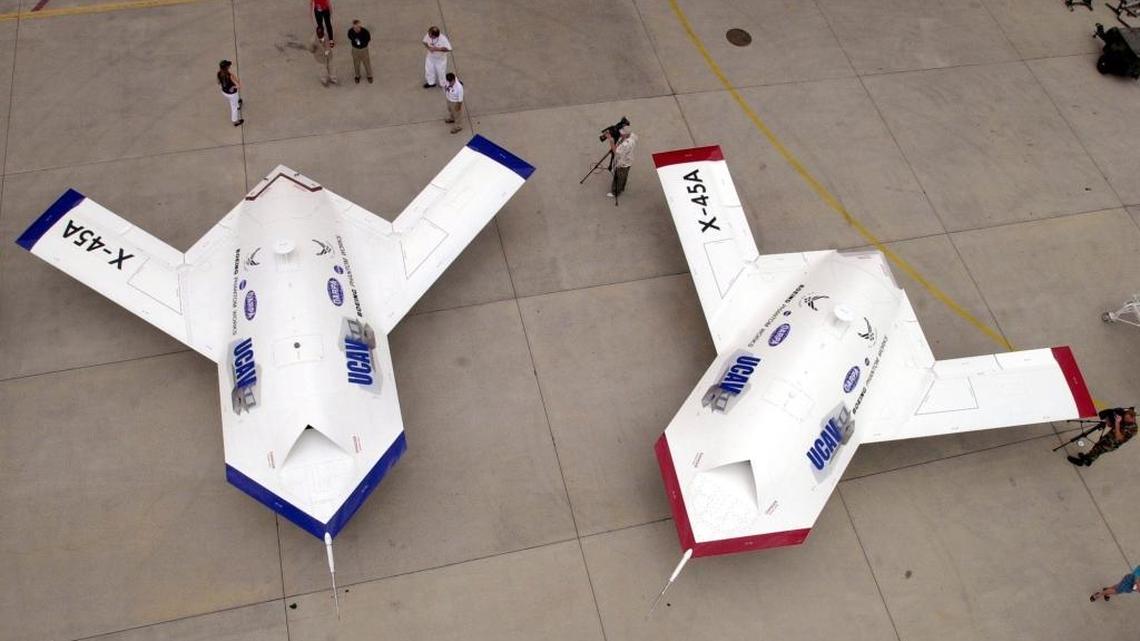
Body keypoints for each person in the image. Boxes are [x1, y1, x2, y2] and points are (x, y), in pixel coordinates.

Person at [1068, 407, 1137, 466]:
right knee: (1096, 449)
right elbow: (1110, 425)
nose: (1124, 419)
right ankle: (1089, 460)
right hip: (1108, 438)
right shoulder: (1125, 420)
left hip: (1111, 444)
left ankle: (1081, 462)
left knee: (1097, 450)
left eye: (1126, 418)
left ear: (1132, 418)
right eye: (1124, 417)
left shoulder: (1132, 429)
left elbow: (1118, 437)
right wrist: (1108, 417)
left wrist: (1117, 423)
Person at [607, 126, 637, 199]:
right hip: (628, 161)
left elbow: (616, 152)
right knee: (623, 177)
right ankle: (622, 188)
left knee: (618, 177)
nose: (620, 134)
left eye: (622, 134)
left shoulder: (626, 144)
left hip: (622, 163)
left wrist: (611, 142)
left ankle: (615, 192)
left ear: (626, 134)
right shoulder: (633, 136)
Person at [217, 60, 243, 127]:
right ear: (227, 67)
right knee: (233, 107)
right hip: (232, 94)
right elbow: (238, 86)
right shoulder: (229, 76)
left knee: (235, 100)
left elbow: (219, 83)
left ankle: (237, 105)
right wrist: (235, 85)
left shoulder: (219, 73)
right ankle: (235, 121)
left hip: (224, 92)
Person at [347, 20, 372, 84]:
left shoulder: (365, 32)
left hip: (364, 49)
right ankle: (357, 76)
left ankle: (369, 76)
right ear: (353, 27)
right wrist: (355, 41)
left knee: (366, 63)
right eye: (355, 27)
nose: (356, 29)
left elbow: (368, 39)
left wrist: (361, 43)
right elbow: (349, 36)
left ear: (360, 26)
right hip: (355, 50)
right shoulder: (350, 31)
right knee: (356, 63)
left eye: (358, 27)